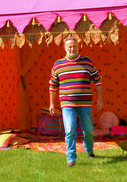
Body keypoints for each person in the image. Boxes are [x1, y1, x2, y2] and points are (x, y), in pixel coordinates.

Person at [49, 37, 103, 167]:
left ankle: (89, 151)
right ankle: (71, 158)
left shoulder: (87, 62)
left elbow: (98, 80)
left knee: (89, 130)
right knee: (70, 130)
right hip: (67, 103)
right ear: (64, 48)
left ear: (78, 47)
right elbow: (52, 86)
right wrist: (51, 103)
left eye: (74, 46)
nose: (72, 49)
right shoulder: (58, 65)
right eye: (69, 47)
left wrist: (100, 99)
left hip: (85, 103)